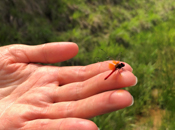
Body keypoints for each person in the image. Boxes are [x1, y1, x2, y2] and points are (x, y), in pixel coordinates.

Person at [0, 42, 137, 130]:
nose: (122, 66)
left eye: (121, 66)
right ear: (121, 66)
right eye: (122, 66)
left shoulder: (116, 68)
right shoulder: (117, 68)